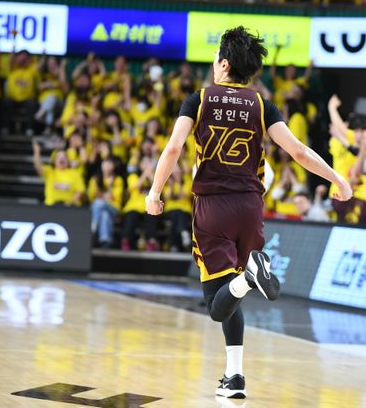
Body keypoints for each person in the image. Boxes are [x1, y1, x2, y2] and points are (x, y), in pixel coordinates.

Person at [145, 27, 351, 399]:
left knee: (217, 304)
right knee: (232, 288)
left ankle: (250, 277)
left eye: (215, 59)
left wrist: (154, 192)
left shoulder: (199, 99)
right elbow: (299, 152)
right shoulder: (262, 105)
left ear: (224, 64)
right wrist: (337, 178)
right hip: (251, 207)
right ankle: (234, 376)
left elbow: (173, 148)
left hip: (213, 207)